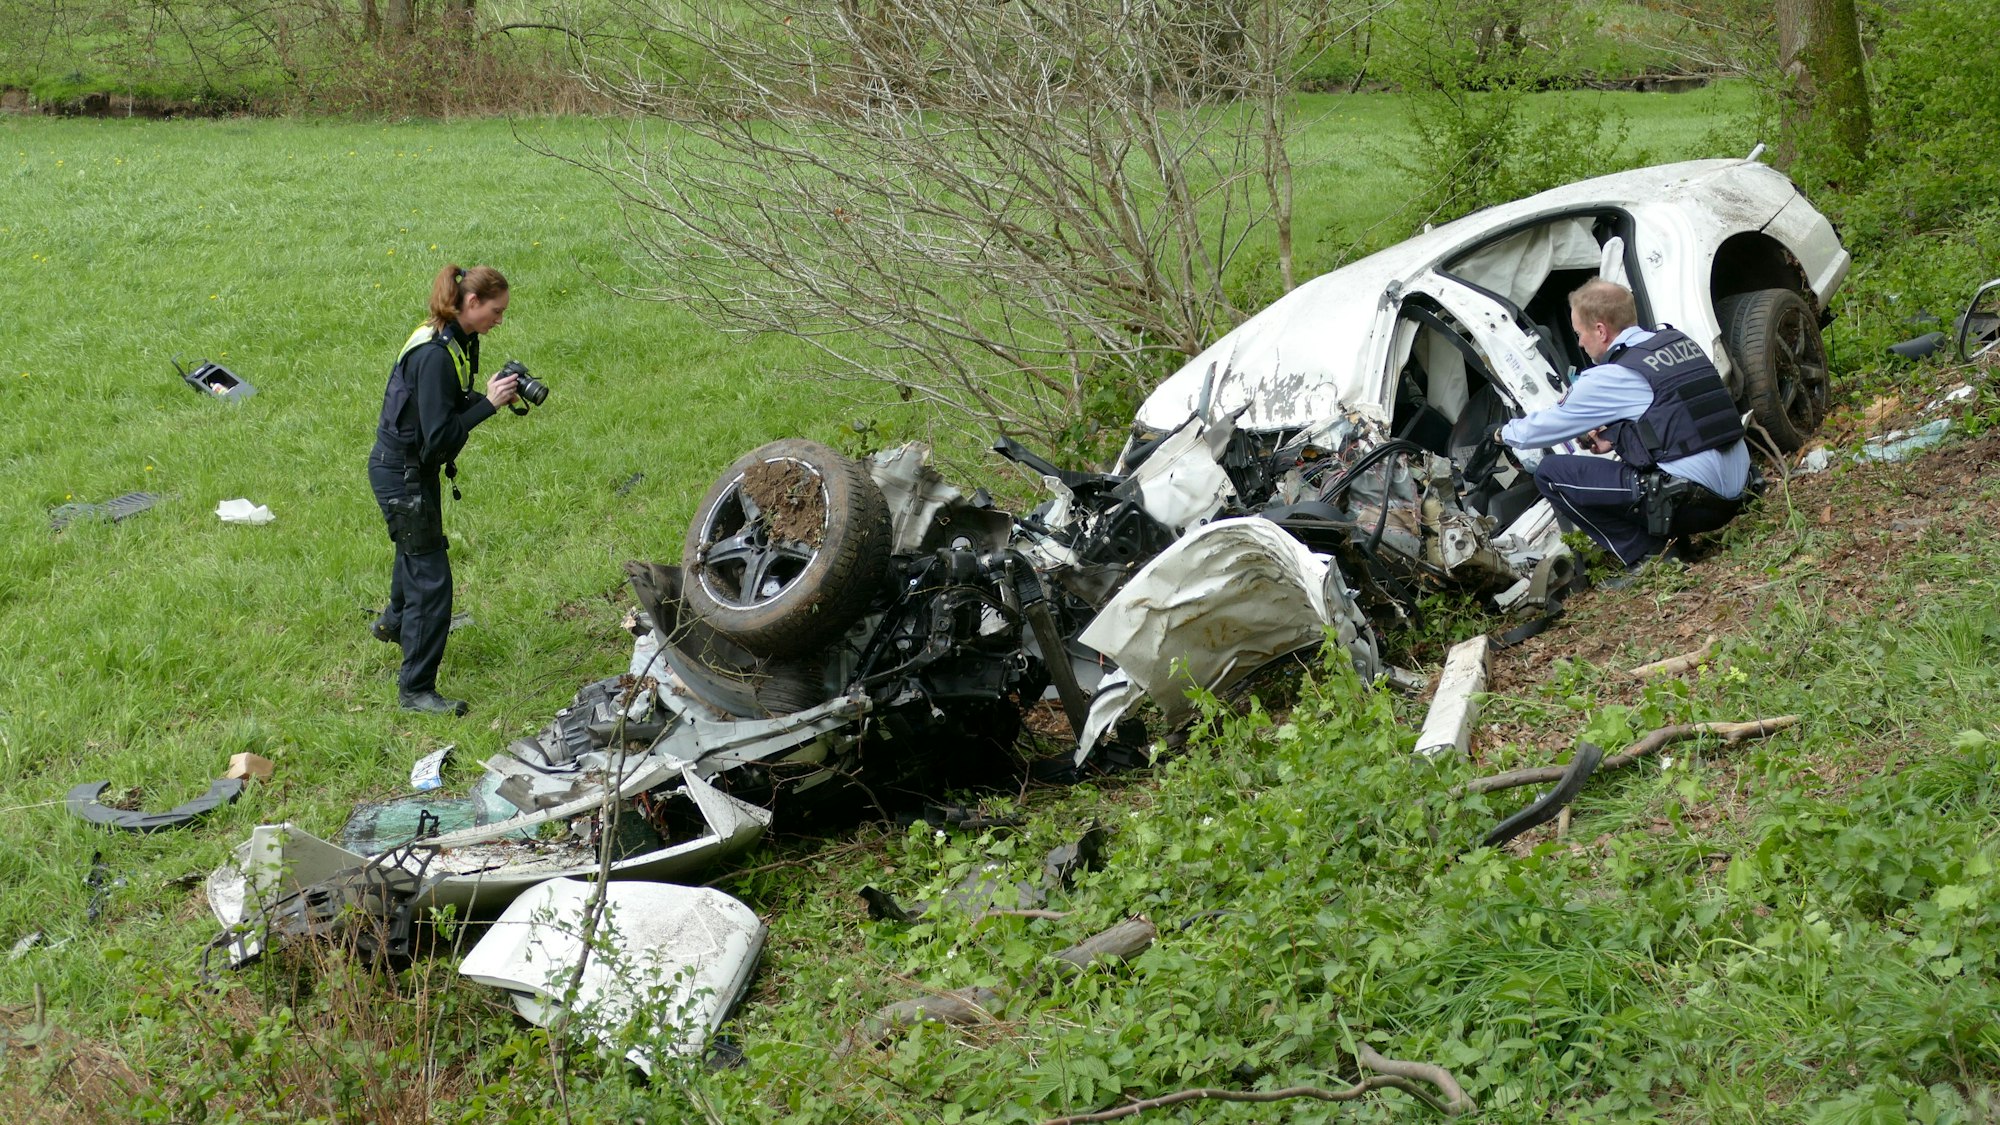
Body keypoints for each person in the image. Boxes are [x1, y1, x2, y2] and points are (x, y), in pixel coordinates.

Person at [1497, 278, 1750, 570]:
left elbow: (1543, 428)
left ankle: (1650, 554)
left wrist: (1502, 434)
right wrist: (1615, 435)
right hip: (1738, 491)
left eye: (1579, 333)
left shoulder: (1612, 375)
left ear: (1600, 330)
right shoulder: (1676, 342)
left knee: (1550, 474)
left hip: (1697, 502)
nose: (1578, 342)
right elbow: (1676, 420)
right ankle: (1672, 541)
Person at [367, 264, 520, 715]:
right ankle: (416, 691)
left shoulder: (446, 336)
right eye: (496, 311)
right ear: (470, 303)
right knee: (431, 581)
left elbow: (438, 408)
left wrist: (484, 396)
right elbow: (440, 437)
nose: (500, 319)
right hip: (404, 474)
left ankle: (394, 624)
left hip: (409, 469)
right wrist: (488, 406)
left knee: (415, 551)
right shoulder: (434, 355)